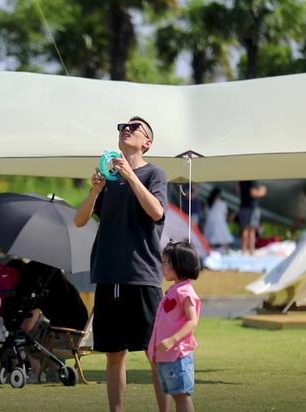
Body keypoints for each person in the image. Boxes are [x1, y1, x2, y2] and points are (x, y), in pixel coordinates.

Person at [74, 116, 169, 412]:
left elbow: (156, 212)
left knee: (155, 352)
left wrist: (130, 175)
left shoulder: (155, 173)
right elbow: (79, 221)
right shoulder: (108, 179)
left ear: (147, 143)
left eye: (133, 128)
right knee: (114, 353)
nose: (125, 130)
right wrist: (95, 190)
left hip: (142, 275)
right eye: (122, 127)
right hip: (109, 274)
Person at [148, 241, 201, 412]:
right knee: (176, 394)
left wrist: (172, 340)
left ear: (177, 266)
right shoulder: (174, 290)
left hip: (178, 354)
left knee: (181, 396)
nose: (161, 266)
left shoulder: (184, 291)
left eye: (165, 262)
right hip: (168, 355)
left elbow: (192, 320)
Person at [14, 261, 89, 382]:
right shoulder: (68, 289)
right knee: (50, 331)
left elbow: (27, 326)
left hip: (66, 341)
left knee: (26, 335)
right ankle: (54, 371)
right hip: (81, 339)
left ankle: (37, 371)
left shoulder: (46, 295)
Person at [238, 180, 267, 255]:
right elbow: (253, 193)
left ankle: (243, 251)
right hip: (252, 207)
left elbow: (238, 190)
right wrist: (262, 191)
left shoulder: (241, 180)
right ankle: (251, 251)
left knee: (245, 229)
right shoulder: (252, 180)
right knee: (251, 231)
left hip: (243, 206)